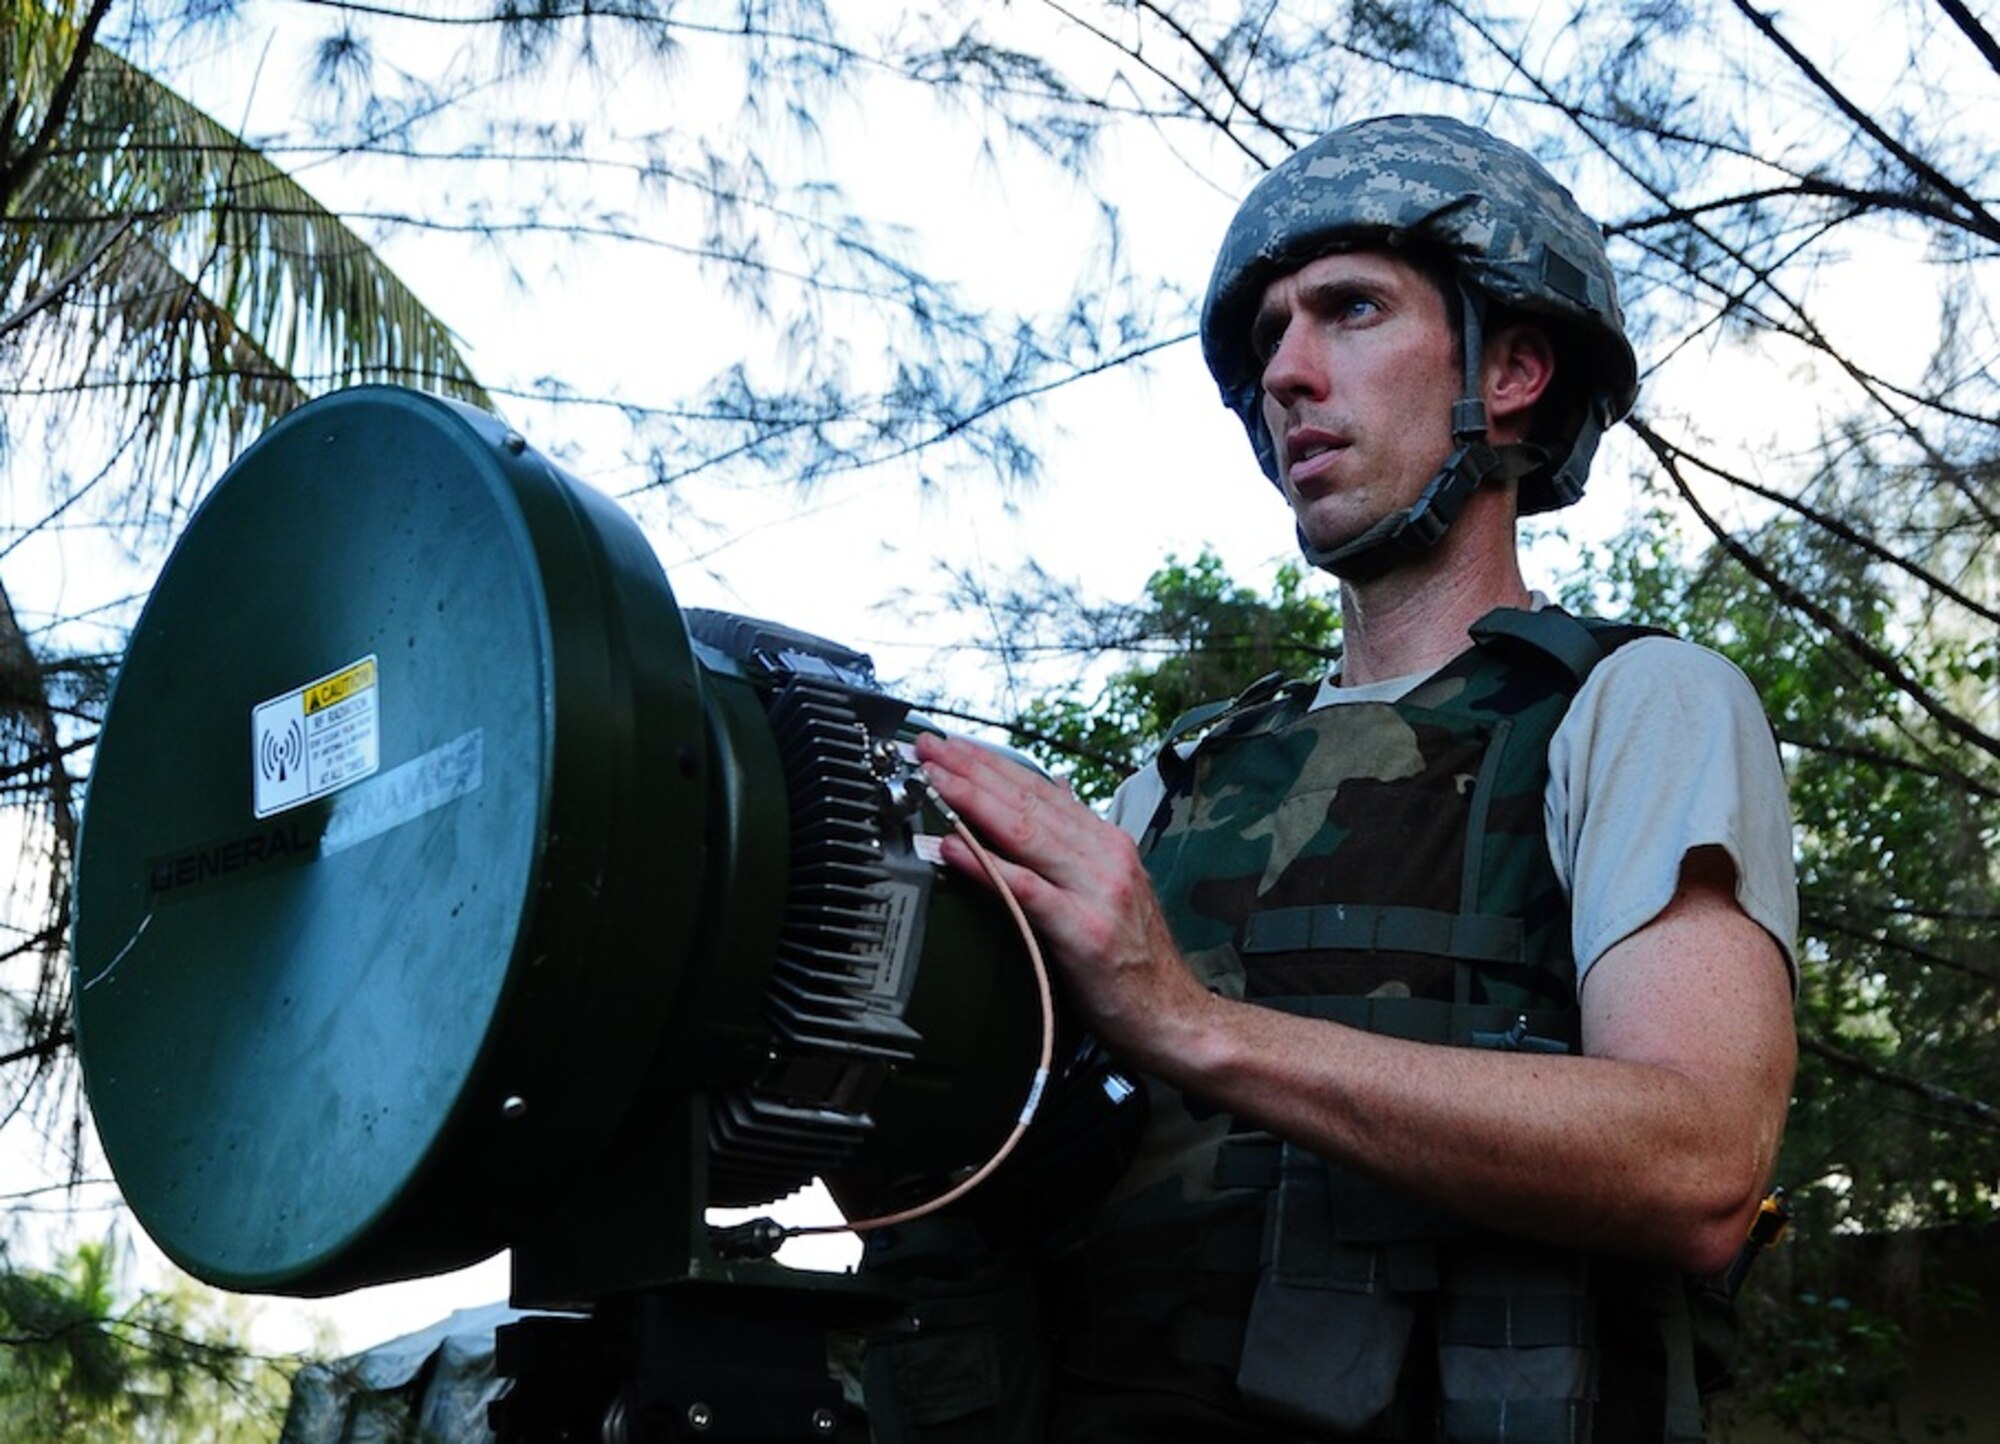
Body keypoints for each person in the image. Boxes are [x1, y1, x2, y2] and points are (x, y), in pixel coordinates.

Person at [877, 115, 1799, 1443]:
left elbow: (1701, 1162)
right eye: (1268, 340)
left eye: (1350, 311)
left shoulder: (1630, 706)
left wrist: (1194, 1023)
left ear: (1519, 366)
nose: (1288, 374)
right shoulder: (1183, 776)